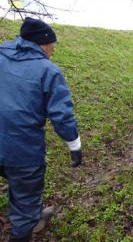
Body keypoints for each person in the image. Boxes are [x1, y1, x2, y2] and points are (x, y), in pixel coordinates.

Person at [0, 17, 82, 241]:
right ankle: (26, 223)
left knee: (18, 184)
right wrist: (74, 145)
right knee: (25, 193)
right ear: (43, 43)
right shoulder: (48, 70)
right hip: (22, 149)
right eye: (52, 44)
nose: (54, 49)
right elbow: (62, 115)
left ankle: (35, 216)